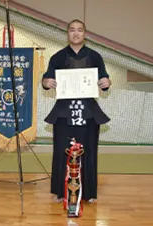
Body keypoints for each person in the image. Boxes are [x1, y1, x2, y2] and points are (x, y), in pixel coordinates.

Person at [42, 19, 111, 203]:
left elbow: (104, 79)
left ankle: (88, 193)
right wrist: (46, 82)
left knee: (88, 150)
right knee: (61, 150)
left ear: (85, 34)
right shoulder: (57, 57)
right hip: (64, 112)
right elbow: (46, 79)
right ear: (67, 34)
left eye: (80, 30)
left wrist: (106, 82)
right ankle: (60, 191)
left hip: (88, 111)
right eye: (72, 30)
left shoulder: (95, 56)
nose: (76, 33)